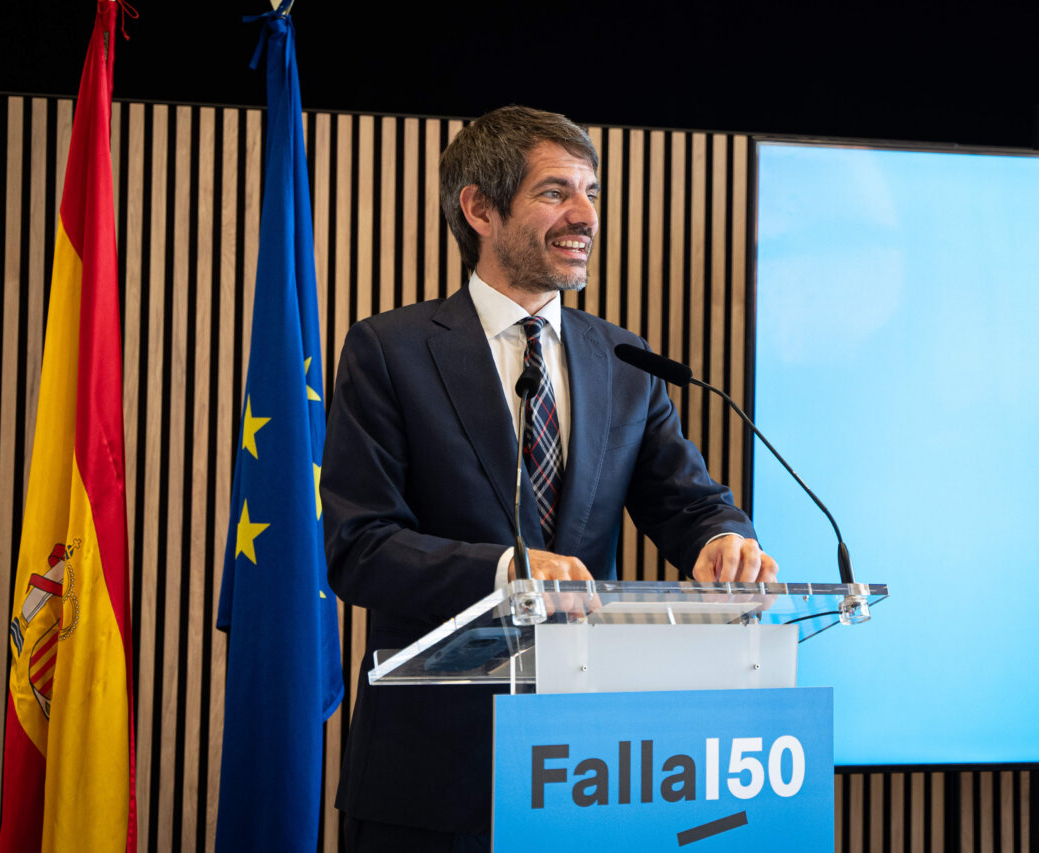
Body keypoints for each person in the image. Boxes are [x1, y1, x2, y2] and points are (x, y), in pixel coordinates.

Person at [322, 105, 778, 851]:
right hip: (433, 779)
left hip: (592, 770)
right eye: (554, 191)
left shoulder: (624, 361)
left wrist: (725, 539)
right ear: (479, 208)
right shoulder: (390, 351)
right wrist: (509, 571)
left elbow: (688, 503)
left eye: (592, 192)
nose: (585, 215)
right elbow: (360, 545)